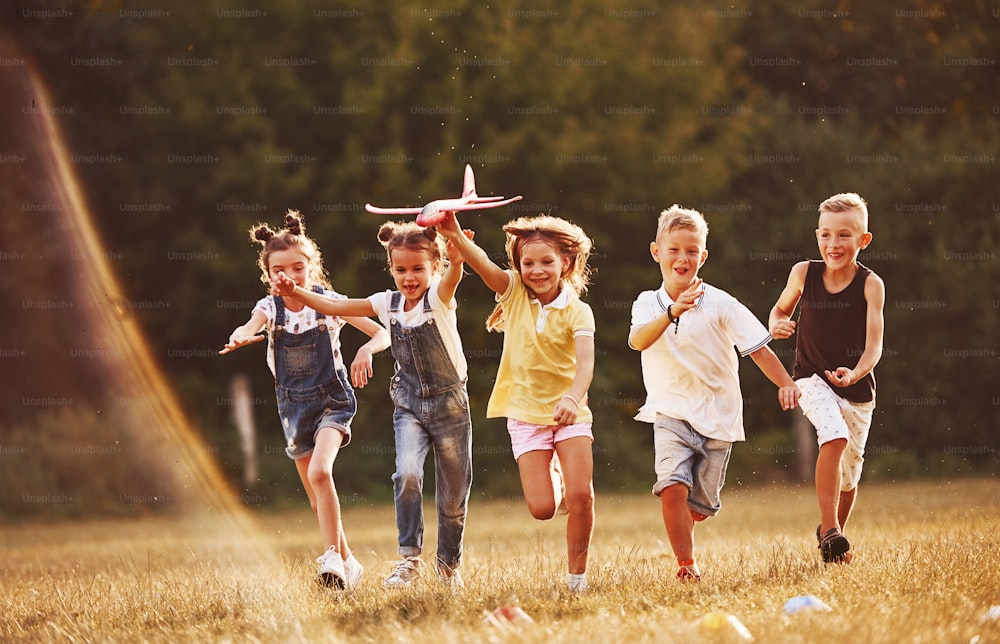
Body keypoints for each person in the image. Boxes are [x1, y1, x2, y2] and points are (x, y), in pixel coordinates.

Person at [272, 221, 473, 589]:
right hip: (409, 405)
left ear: (434, 267)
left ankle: (448, 567)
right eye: (400, 270)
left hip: (451, 406)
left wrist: (458, 258)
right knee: (407, 473)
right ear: (391, 269)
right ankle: (409, 560)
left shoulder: (438, 298)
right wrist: (297, 291)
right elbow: (337, 304)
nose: (408, 277)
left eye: (417, 269)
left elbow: (452, 278)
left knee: (453, 497)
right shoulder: (387, 302)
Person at [629, 205, 800, 582]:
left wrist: (786, 382)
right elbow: (638, 341)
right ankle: (686, 567)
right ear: (656, 252)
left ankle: (688, 523)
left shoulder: (722, 303)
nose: (682, 258)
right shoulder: (646, 302)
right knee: (671, 486)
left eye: (691, 251)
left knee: (699, 508)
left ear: (703, 257)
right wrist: (672, 311)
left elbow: (758, 348)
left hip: (718, 417)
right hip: (670, 413)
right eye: (673, 249)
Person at [220, 210, 390, 589]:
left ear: (310, 268)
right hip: (293, 408)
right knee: (317, 499)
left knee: (320, 473)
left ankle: (330, 557)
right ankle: (348, 562)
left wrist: (366, 351)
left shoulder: (329, 302)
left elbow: (380, 332)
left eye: (298, 268)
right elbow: (248, 325)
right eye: (280, 270)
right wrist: (240, 336)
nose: (290, 277)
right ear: (268, 275)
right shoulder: (269, 308)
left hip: (333, 400)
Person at [439, 212, 596, 593]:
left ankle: (577, 579)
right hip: (526, 415)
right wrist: (455, 235)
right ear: (518, 265)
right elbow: (482, 264)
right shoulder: (512, 294)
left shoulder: (578, 310)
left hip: (570, 414)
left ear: (567, 264)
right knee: (542, 509)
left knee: (580, 496)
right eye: (528, 263)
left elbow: (587, 362)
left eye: (547, 262)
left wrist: (573, 398)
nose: (537, 270)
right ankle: (555, 479)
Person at [768, 192, 884, 564]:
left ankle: (831, 539)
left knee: (849, 480)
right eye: (826, 235)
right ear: (817, 236)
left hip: (858, 392)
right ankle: (830, 528)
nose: (834, 244)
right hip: (810, 379)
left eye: (844, 235)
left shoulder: (871, 285)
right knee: (833, 436)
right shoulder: (804, 272)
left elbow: (874, 347)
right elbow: (780, 308)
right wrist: (777, 323)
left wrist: (855, 373)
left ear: (863, 240)